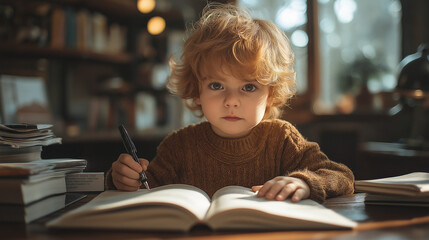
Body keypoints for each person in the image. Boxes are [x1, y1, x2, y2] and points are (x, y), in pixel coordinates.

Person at [105, 3, 354, 203]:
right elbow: (144, 186)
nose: (231, 101)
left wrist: (305, 183)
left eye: (248, 87)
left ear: (270, 94)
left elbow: (342, 177)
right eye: (216, 86)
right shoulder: (178, 146)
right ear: (197, 90)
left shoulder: (282, 140)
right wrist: (123, 178)